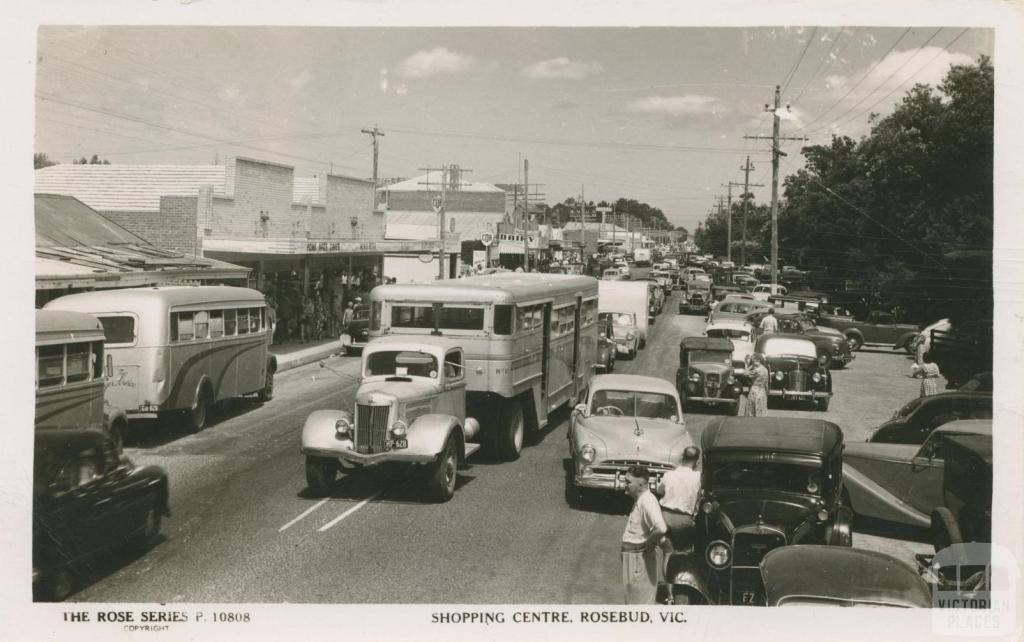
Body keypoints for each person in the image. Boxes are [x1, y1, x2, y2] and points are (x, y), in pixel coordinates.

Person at [621, 465, 668, 605]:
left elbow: (661, 528)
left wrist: (647, 544)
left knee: (640, 608)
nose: (625, 485)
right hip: (634, 558)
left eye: (628, 482)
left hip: (639, 559)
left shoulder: (647, 501)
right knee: (633, 604)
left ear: (641, 483)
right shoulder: (641, 500)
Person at [656, 447, 701, 552]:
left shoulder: (669, 474)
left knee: (667, 552)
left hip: (665, 516)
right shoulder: (698, 477)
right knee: (685, 552)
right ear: (697, 461)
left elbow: (660, 491)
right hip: (683, 519)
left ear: (682, 457)